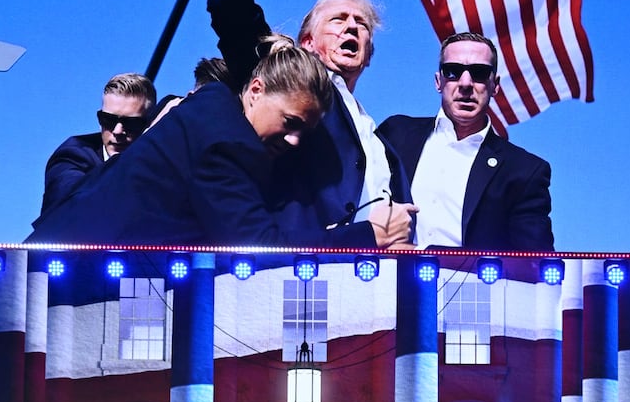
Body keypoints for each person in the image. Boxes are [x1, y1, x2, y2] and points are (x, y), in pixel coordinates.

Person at [27, 36, 415, 248]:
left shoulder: (212, 105)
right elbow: (257, 249)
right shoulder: (225, 145)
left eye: (305, 131)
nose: (295, 140)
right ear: (256, 89)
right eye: (290, 122)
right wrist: (369, 234)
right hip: (68, 289)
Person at [208, 0, 410, 235]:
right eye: (338, 20)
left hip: (376, 284)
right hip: (301, 276)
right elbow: (229, 7)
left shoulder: (380, 137)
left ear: (370, 55)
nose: (351, 28)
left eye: (362, 25)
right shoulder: (286, 85)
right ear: (307, 42)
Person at [377, 32, 555, 251]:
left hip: (474, 285)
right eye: (453, 71)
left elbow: (534, 262)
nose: (466, 83)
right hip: (382, 281)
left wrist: (421, 254)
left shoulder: (524, 171)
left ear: (495, 85)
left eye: (479, 73)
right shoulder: (396, 134)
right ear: (438, 81)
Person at [37, 72, 157, 220]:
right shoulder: (73, 154)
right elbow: (74, 202)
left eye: (131, 123)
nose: (117, 131)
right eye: (108, 120)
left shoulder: (160, 162)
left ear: (150, 124)